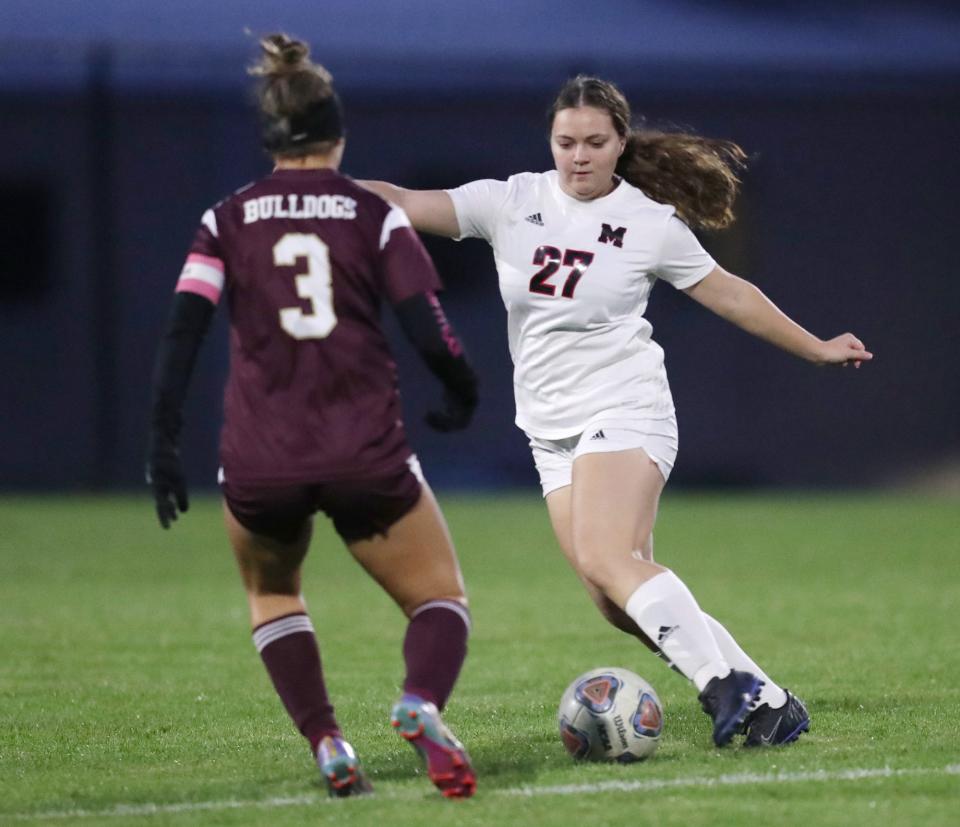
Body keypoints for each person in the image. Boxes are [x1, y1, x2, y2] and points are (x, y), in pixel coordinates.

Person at [361, 75, 873, 749]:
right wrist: (316, 192)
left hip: (625, 406)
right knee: (613, 596)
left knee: (608, 555)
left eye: (595, 142)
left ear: (620, 142)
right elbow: (399, 202)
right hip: (551, 430)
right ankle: (766, 697)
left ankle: (731, 690)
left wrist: (815, 348)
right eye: (565, 141)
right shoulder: (511, 201)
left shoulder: (648, 223)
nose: (578, 155)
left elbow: (733, 296)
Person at [145, 34, 480, 798]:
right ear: (338, 134)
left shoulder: (225, 218)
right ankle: (419, 701)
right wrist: (461, 387)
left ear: (269, 138)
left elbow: (183, 331)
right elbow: (427, 326)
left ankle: (328, 740)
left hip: (262, 458)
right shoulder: (372, 214)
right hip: (364, 450)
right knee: (438, 597)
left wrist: (162, 441)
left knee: (273, 593)